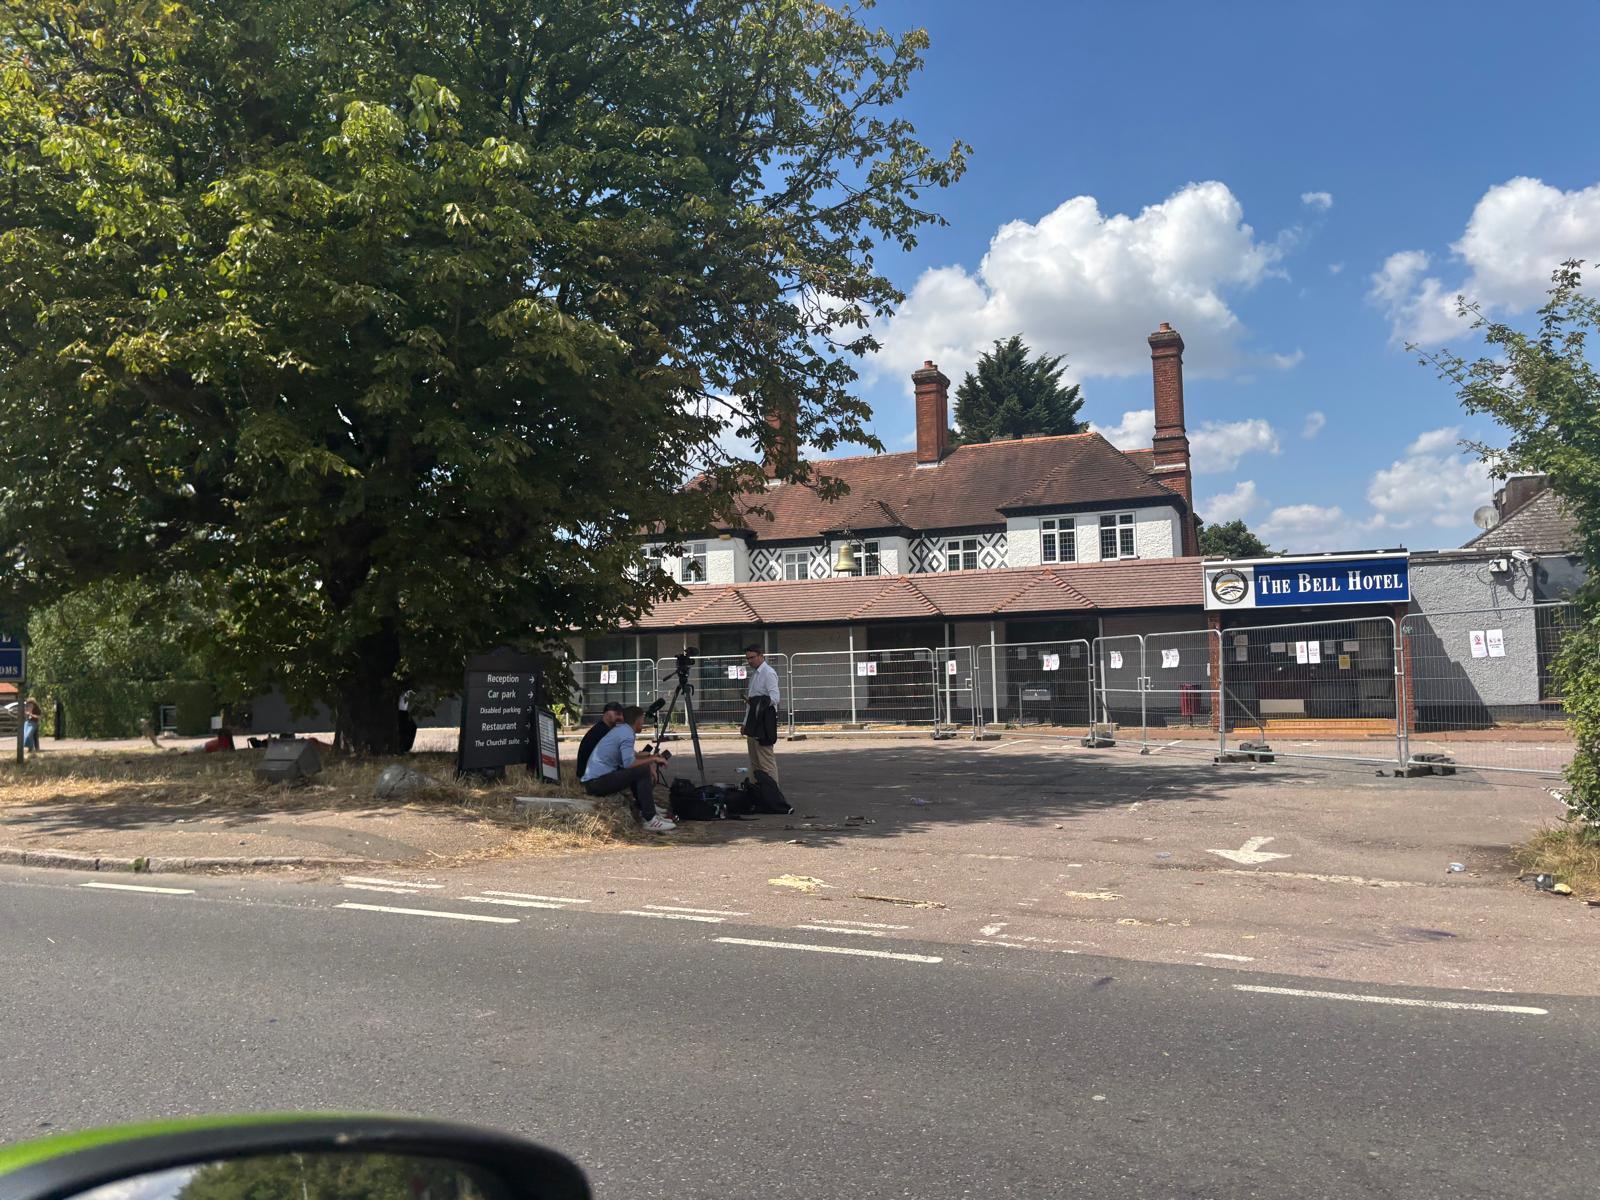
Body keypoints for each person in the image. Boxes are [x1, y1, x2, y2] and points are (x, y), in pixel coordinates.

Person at [581, 705, 675, 831]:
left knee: (640, 770)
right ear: (637, 721)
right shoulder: (627, 734)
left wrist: (650, 757)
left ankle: (646, 811)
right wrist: (652, 760)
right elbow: (629, 764)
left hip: (595, 781)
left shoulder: (622, 730)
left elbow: (627, 757)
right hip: (596, 783)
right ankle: (649, 819)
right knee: (643, 770)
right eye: (642, 720)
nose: (643, 724)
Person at [743, 644, 780, 785]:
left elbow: (775, 698)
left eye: (752, 657)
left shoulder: (768, 673)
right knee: (755, 763)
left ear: (761, 656)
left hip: (763, 723)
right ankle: (757, 791)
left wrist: (756, 701)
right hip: (753, 722)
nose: (750, 661)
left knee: (766, 762)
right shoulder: (755, 675)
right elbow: (750, 704)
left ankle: (773, 792)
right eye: (747, 658)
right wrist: (745, 723)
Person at [575, 702, 625, 779]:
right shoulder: (602, 732)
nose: (621, 718)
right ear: (606, 714)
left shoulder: (602, 729)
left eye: (622, 715)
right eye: (617, 714)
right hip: (593, 776)